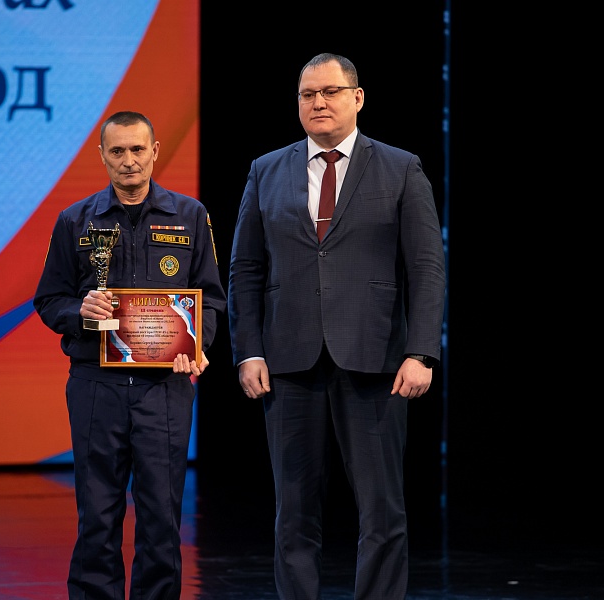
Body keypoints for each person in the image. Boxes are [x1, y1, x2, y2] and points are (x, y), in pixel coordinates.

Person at [228, 53, 446, 599]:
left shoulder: (400, 167)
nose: (318, 103)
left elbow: (426, 267)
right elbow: (245, 268)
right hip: (288, 361)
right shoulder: (266, 170)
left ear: (358, 97)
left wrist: (422, 352)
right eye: (308, 94)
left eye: (329, 92)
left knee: (382, 510)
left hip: (376, 360)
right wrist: (248, 351)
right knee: (293, 511)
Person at [33, 110, 226, 600]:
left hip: (165, 387)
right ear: (101, 155)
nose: (128, 160)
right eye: (117, 151)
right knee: (97, 516)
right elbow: (49, 299)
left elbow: (211, 298)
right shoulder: (74, 220)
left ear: (155, 151)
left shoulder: (190, 215)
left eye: (137, 149)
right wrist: (81, 311)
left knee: (161, 517)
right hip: (96, 385)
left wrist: (196, 345)